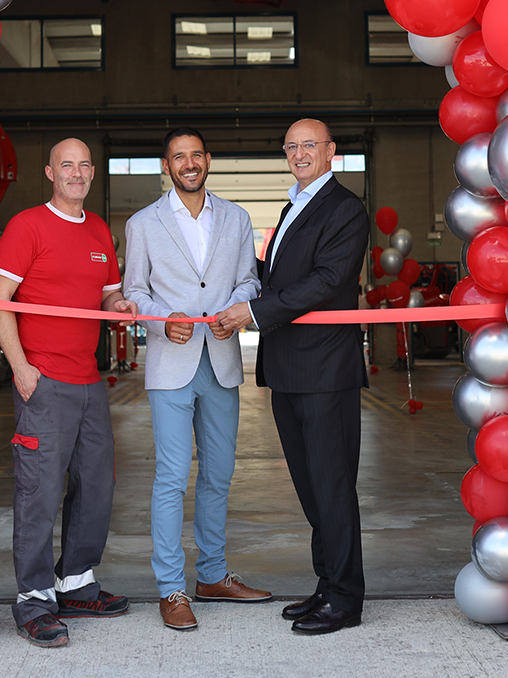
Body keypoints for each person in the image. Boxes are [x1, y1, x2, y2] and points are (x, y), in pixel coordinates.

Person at [213, 119, 369, 635]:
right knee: (310, 488)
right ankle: (327, 585)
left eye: (310, 145)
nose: (300, 153)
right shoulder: (292, 206)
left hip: (326, 371)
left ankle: (346, 599)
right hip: (289, 371)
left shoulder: (344, 209)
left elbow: (326, 281)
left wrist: (252, 311)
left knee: (332, 487)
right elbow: (279, 276)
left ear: (331, 151)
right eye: (292, 146)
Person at [0, 137, 138, 649]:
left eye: (83, 166)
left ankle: (75, 582)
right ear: (50, 173)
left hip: (89, 381)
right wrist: (21, 368)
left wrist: (120, 306)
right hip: (44, 380)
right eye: (65, 165)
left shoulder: (98, 229)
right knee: (39, 492)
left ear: (92, 173)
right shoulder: (27, 226)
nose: (75, 173)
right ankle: (33, 598)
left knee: (96, 486)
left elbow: (106, 293)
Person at [121, 127, 272, 632]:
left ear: (208, 160)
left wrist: (241, 307)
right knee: (169, 478)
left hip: (223, 360)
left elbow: (250, 278)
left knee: (219, 475)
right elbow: (134, 291)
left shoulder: (237, 217)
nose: (188, 164)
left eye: (195, 155)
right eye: (177, 157)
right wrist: (162, 318)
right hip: (171, 360)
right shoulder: (143, 224)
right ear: (167, 166)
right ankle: (171, 588)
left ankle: (211, 575)